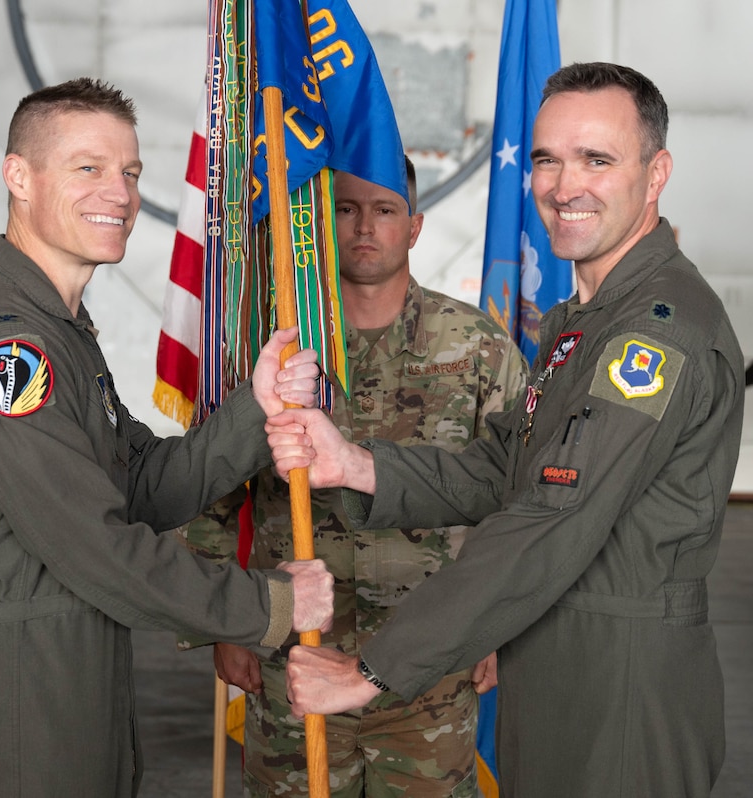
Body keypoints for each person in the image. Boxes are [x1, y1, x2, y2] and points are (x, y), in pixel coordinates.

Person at [272, 62, 746, 797]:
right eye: (547, 160)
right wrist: (356, 465)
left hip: (617, 681)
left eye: (597, 159)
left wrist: (372, 670)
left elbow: (548, 520)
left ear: (656, 175)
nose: (564, 187)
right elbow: (503, 470)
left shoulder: (655, 335)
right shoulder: (581, 324)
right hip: (556, 663)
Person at [0, 77, 335, 798]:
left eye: (130, 172)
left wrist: (253, 413)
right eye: (88, 168)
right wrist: (269, 606)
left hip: (72, 691)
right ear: (19, 176)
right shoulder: (9, 354)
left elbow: (138, 486)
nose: (121, 192)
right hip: (17, 712)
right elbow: (95, 545)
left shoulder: (59, 335)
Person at [180, 158, 527, 797]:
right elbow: (213, 493)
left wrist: (496, 626)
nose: (365, 226)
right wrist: (221, 625)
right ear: (319, 224)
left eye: (386, 210)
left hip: (428, 672)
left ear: (415, 227)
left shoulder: (478, 347)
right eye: (346, 209)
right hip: (295, 664)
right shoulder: (276, 352)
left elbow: (514, 500)